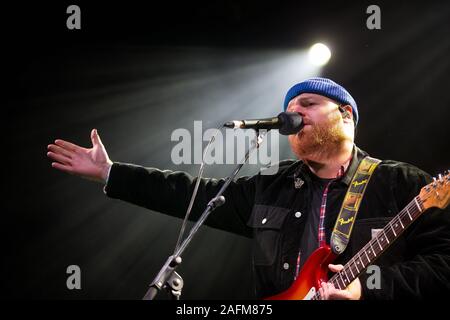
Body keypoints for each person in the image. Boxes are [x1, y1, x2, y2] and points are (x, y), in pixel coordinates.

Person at [47, 77, 450, 300]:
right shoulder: (272, 188)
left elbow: (444, 266)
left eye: (306, 105)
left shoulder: (403, 184)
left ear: (345, 114)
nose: (293, 115)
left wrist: (370, 289)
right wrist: (111, 173)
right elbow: (192, 194)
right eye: (289, 110)